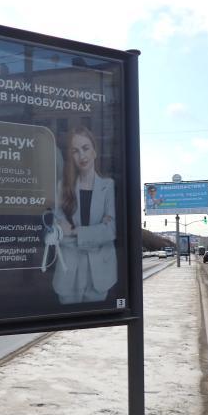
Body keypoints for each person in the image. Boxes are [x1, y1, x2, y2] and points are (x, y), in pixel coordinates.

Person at [52, 125, 117, 304]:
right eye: (75, 151)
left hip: (100, 274)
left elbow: (111, 230)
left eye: (85, 148)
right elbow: (58, 233)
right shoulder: (62, 187)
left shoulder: (108, 186)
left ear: (94, 151)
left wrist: (74, 232)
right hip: (68, 271)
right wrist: (97, 234)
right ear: (71, 156)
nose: (82, 155)